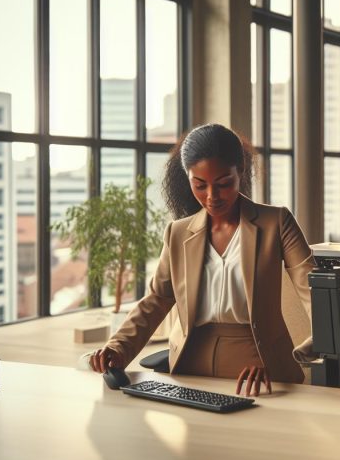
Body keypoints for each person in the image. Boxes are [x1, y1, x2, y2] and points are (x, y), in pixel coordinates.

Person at [88, 123, 317, 396]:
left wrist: (300, 352)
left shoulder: (276, 223)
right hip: (189, 363)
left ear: (240, 172)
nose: (211, 196)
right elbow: (156, 300)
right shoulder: (178, 232)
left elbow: (312, 287)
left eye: (223, 184)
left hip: (259, 366)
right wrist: (118, 347)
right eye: (200, 185)